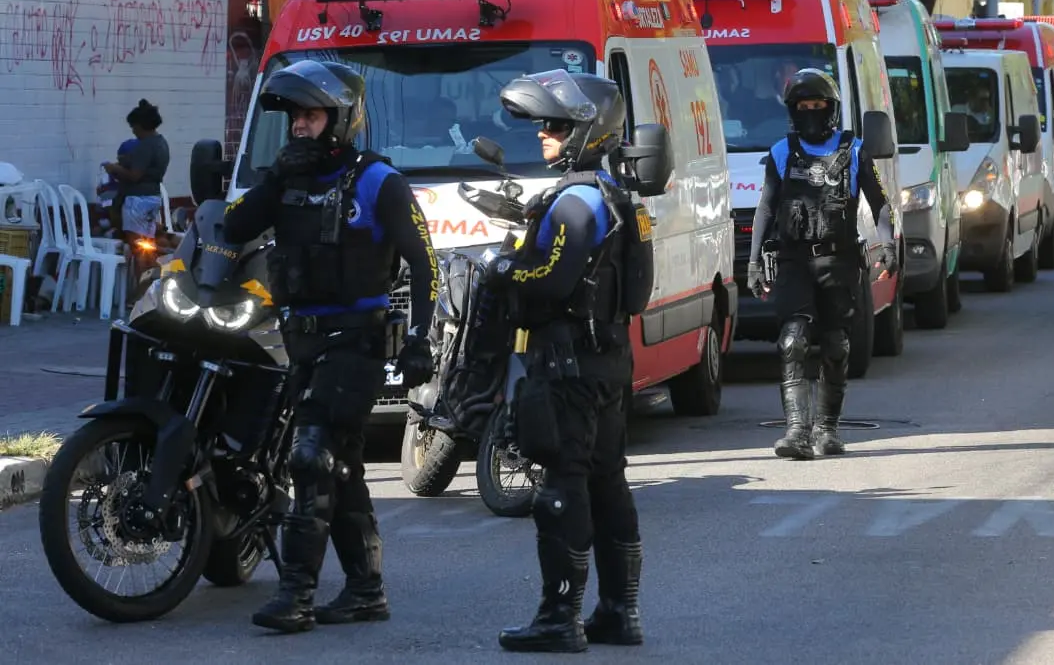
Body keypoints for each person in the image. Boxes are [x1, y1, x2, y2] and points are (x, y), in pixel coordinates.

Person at [221, 59, 441, 634]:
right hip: (299, 343)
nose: (299, 127)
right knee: (341, 469)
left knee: (310, 456)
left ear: (341, 120)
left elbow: (425, 262)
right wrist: (273, 179)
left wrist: (421, 337)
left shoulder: (377, 181)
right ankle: (366, 591)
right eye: (294, 117)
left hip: (358, 341)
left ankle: (295, 594)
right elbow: (231, 228)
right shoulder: (287, 178)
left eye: (312, 116)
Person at [489, 69, 655, 653]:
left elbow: (551, 280)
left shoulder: (577, 202)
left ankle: (560, 617)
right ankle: (619, 612)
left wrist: (502, 269)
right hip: (608, 358)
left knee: (562, 483)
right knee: (608, 481)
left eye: (557, 125)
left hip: (568, 364)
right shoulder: (617, 196)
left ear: (588, 130)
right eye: (544, 124)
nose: (544, 133)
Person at [746, 68, 890, 461]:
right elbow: (766, 206)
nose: (811, 112)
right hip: (794, 261)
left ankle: (827, 429)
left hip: (839, 261)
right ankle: (796, 432)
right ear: (793, 111)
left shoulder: (855, 149)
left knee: (836, 345)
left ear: (832, 109)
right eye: (803, 106)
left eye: (818, 106)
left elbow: (879, 203)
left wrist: (888, 244)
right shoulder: (781, 151)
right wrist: (754, 260)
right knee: (793, 340)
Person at [103, 100, 169, 241]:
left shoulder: (146, 145)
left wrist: (114, 168)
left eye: (133, 127)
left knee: (137, 243)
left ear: (141, 126)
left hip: (138, 201)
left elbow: (135, 176)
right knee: (148, 240)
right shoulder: (161, 142)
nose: (133, 131)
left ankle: (146, 263)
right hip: (153, 196)